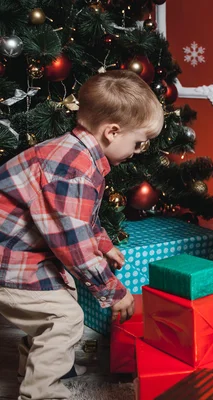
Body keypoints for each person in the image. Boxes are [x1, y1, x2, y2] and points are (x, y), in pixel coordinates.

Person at [0, 70, 164, 400]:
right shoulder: (73, 168)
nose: (137, 150)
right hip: (9, 261)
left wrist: (103, 244)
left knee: (61, 295)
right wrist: (112, 291)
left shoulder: (79, 154)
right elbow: (71, 242)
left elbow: (80, 218)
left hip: (25, 252)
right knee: (63, 316)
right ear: (112, 132)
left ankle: (37, 367)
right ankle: (42, 392)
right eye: (137, 142)